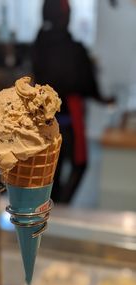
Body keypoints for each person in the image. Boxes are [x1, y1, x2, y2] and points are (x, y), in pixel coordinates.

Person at [33, 0, 113, 204]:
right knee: (80, 165)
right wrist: (104, 99)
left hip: (45, 124)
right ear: (63, 16)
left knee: (52, 170)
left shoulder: (39, 44)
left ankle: (54, 204)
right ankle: (62, 205)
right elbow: (86, 85)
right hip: (69, 123)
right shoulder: (74, 49)